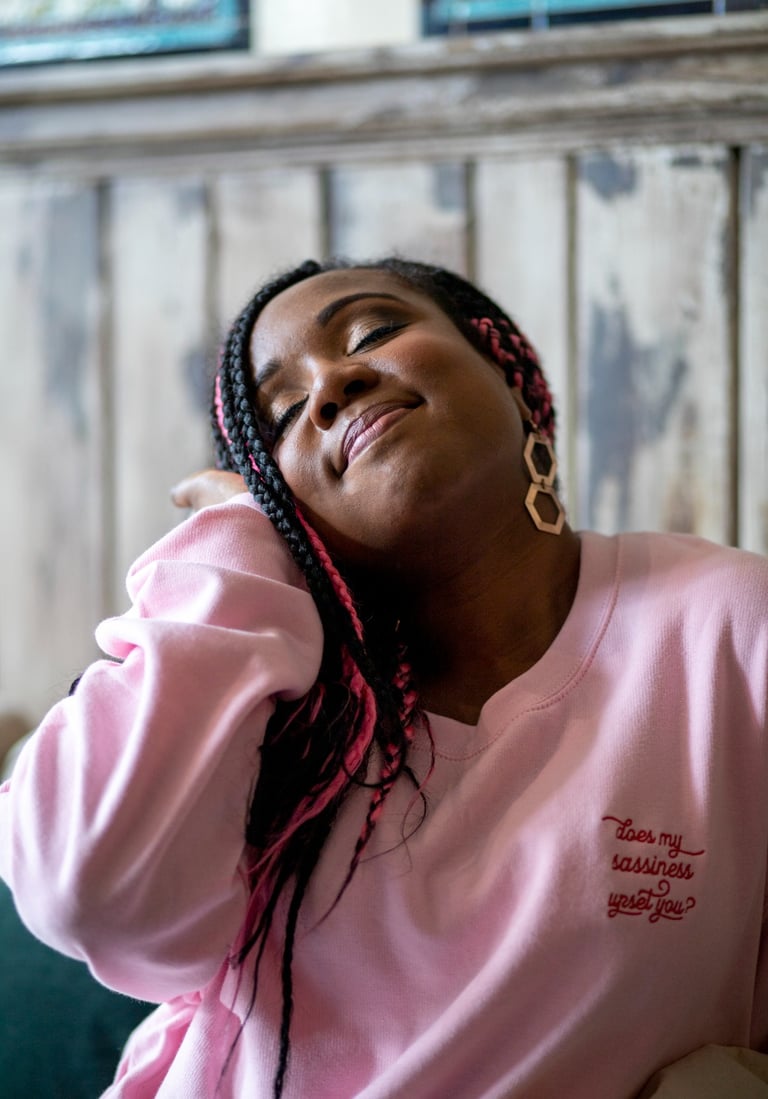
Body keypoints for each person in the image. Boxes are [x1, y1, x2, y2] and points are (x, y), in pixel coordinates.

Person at [1, 256, 767, 1099]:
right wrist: (235, 549)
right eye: (285, 413)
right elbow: (89, 890)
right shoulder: (279, 714)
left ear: (506, 368)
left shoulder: (728, 623)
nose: (332, 385)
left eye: (373, 332)